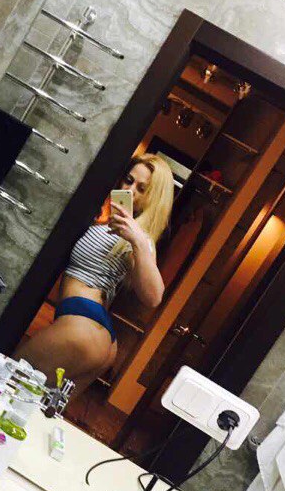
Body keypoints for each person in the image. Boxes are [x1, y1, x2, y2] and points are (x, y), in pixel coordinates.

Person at [21, 154, 174, 395]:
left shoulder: (140, 238)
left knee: (0, 382)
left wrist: (137, 240)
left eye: (142, 189)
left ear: (154, 197)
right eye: (129, 180)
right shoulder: (114, 225)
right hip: (98, 338)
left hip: (82, 329)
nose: (129, 190)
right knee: (40, 407)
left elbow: (154, 297)